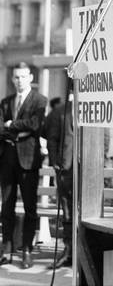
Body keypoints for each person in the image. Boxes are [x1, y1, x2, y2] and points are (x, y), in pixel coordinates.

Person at [0, 62, 47, 269]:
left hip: (29, 160)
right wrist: (17, 129)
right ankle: (7, 249)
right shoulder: (6, 102)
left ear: (30, 78)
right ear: (12, 79)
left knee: (30, 208)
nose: (19, 81)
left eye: (23, 77)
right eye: (16, 77)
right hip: (7, 160)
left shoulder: (39, 100)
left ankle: (27, 250)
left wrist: (12, 126)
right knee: (7, 206)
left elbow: (36, 125)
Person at [46, 89, 74, 269]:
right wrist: (56, 161)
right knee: (67, 210)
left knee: (87, 210)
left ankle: (84, 250)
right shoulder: (60, 111)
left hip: (87, 169)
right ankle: (68, 251)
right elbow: (52, 139)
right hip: (65, 168)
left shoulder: (95, 109)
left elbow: (105, 137)